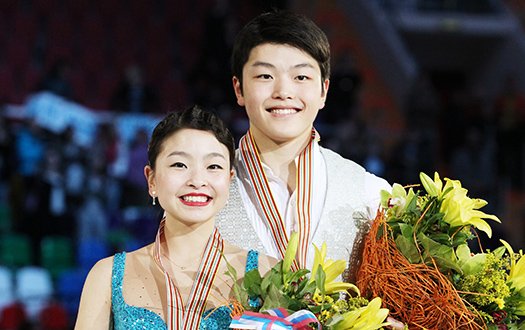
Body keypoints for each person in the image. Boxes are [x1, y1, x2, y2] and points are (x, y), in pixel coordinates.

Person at [215, 10, 391, 279]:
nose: (283, 92)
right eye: (265, 76)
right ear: (239, 89)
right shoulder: (206, 191)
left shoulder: (371, 194)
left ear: (323, 91)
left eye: (301, 77)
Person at [75, 105, 275, 329]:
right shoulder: (107, 276)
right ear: (151, 180)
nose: (197, 180)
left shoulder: (268, 274)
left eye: (213, 166)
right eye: (180, 164)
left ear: (229, 180)